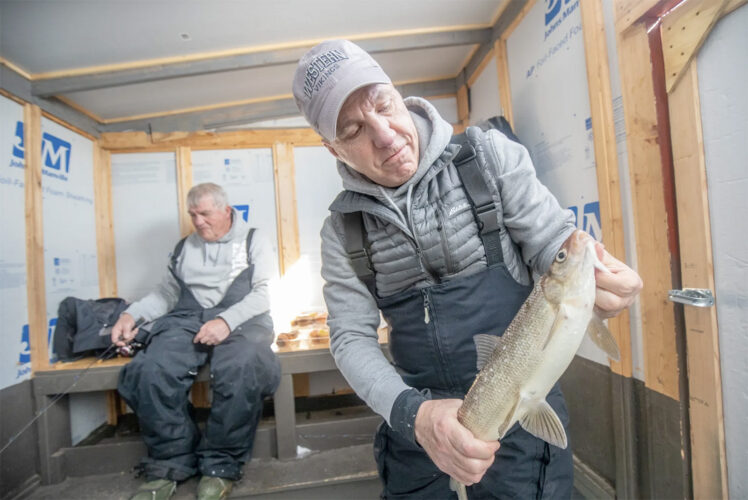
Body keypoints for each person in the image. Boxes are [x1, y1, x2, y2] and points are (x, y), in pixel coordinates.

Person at [292, 40, 642, 499]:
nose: (386, 136)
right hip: (419, 425)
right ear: (333, 149)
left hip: (520, 416)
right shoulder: (342, 231)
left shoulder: (488, 157)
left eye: (383, 104)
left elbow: (554, 245)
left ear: (398, 93)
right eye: (354, 129)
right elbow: (350, 338)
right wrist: (415, 416)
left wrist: (599, 277)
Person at [111, 183, 281, 500]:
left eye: (205, 214)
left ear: (226, 211)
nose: (198, 222)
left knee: (241, 367)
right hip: (188, 319)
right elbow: (166, 294)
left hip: (243, 319)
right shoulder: (184, 248)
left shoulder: (254, 240)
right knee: (149, 371)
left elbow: (265, 293)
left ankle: (220, 465)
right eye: (193, 215)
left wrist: (226, 321)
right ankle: (170, 463)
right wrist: (131, 315)